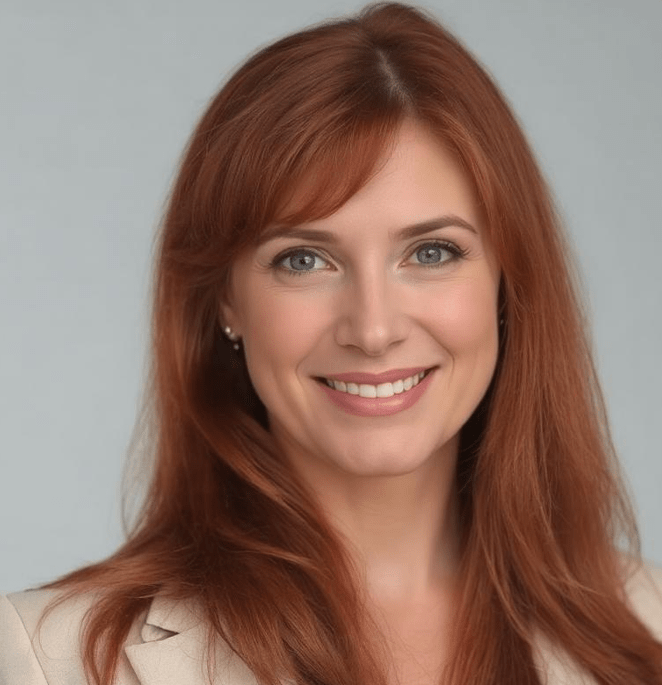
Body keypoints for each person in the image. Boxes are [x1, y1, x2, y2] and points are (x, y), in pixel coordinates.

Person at [2, 3, 661, 684]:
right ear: (226, 300)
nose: (373, 330)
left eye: (431, 252)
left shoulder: (651, 629)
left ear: (507, 279)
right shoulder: (48, 660)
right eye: (304, 260)